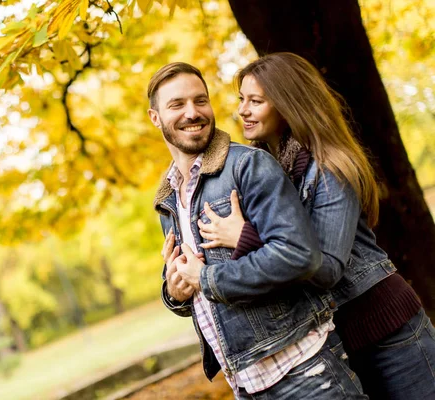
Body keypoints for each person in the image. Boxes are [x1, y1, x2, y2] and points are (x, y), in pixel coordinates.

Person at [194, 52, 435, 399]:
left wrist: (244, 236)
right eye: (241, 100)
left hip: (388, 327)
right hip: (333, 340)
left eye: (256, 101)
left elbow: (327, 269)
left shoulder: (330, 167)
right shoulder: (264, 172)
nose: (242, 111)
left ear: (287, 104)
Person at [148, 62, 366, 399]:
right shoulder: (168, 198)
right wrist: (174, 293)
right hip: (245, 384)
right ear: (155, 117)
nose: (192, 112)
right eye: (177, 105)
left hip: (303, 371)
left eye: (200, 100)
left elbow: (298, 256)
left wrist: (206, 278)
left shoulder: (247, 166)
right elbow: (193, 285)